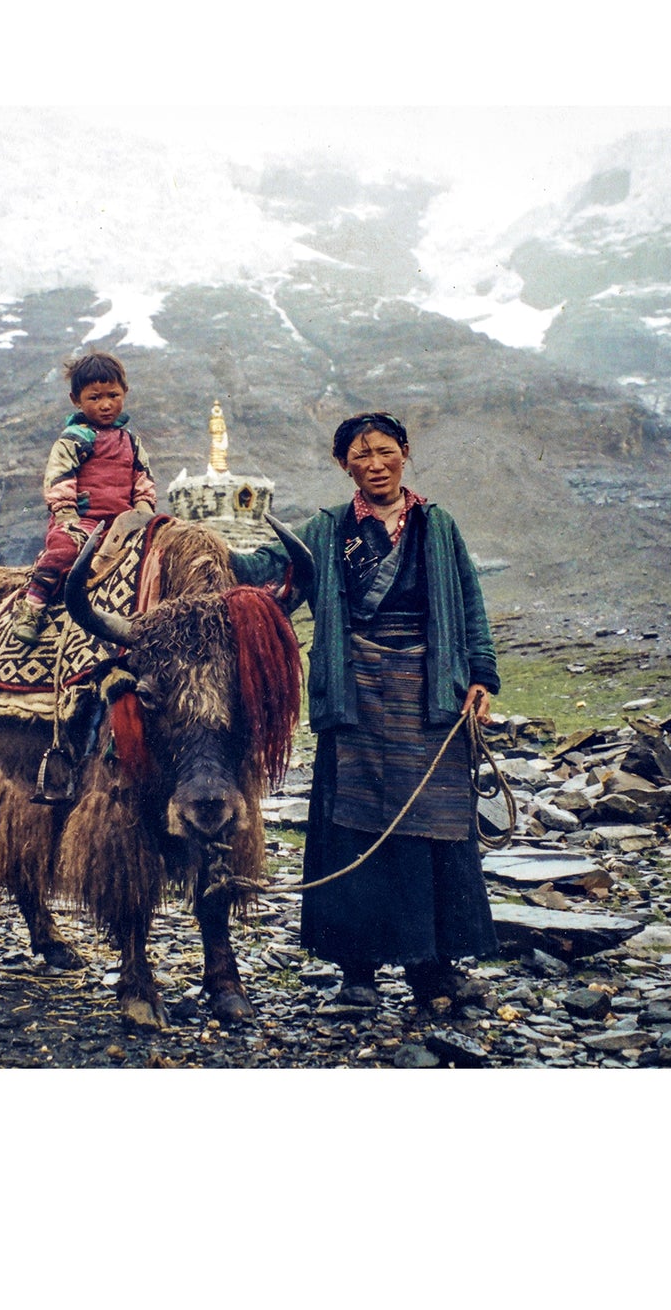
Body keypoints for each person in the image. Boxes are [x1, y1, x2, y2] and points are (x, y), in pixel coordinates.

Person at [231, 411, 500, 1013]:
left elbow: (470, 603)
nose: (375, 464)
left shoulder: (439, 526)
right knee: (354, 832)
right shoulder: (326, 531)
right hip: (355, 700)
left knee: (438, 831)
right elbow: (262, 573)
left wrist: (480, 676)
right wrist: (190, 544)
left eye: (384, 451)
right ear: (344, 465)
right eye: (360, 456)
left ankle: (435, 970)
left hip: (432, 696)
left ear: (405, 452)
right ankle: (359, 976)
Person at [12, 350, 156, 644]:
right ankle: (32, 607)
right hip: (84, 521)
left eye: (113, 395)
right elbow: (60, 477)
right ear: (76, 400)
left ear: (125, 393)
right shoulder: (74, 438)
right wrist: (67, 515)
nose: (106, 405)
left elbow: (143, 480)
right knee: (64, 550)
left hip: (124, 525)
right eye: (94, 397)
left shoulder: (131, 441)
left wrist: (144, 512)